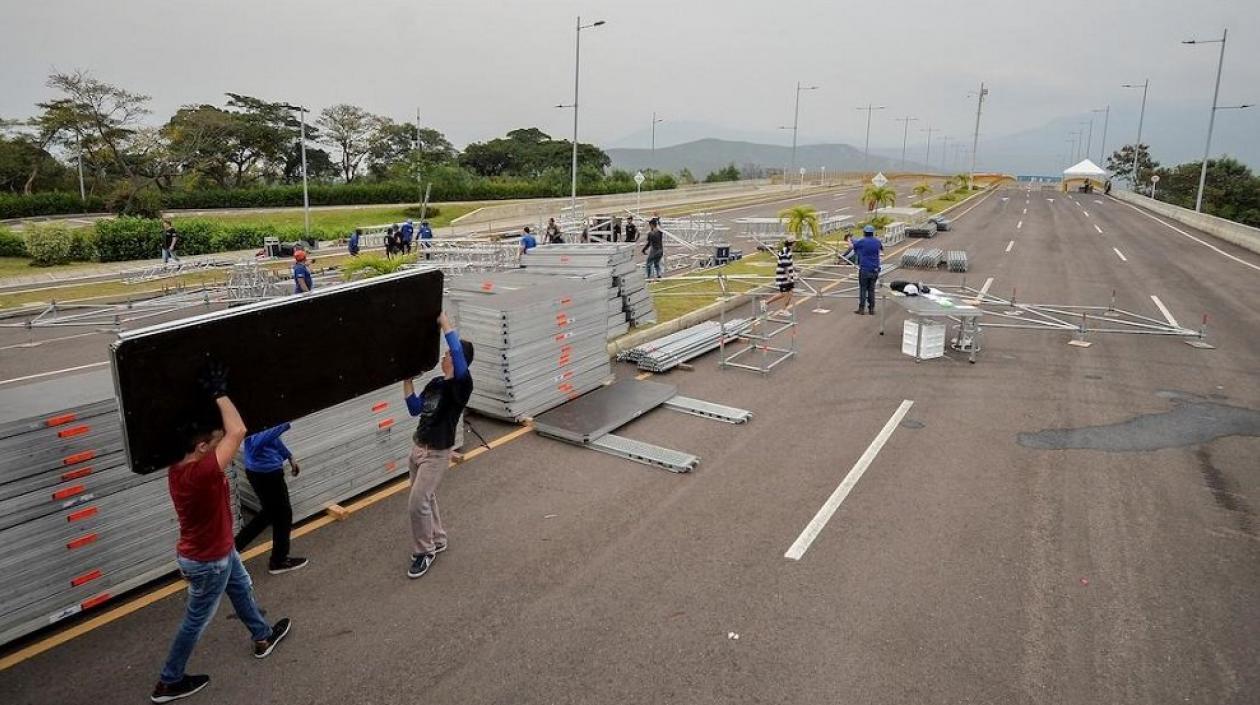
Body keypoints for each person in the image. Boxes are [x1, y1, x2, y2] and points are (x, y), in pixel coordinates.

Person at [151, 366, 291, 703]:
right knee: (195, 621)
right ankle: (169, 681)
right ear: (201, 448)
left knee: (242, 588)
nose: (222, 446)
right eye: (215, 443)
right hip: (208, 560)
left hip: (217, 551)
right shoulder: (200, 474)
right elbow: (239, 429)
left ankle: (262, 636)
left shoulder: (180, 464)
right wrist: (219, 393)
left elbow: (222, 432)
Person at [401, 312, 474, 579]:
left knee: (416, 502)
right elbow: (414, 408)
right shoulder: (435, 383)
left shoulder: (461, 385)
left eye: (448, 354)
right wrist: (407, 379)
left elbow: (456, 352)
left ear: (458, 360)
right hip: (417, 449)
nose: (444, 356)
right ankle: (438, 539)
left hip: (437, 454)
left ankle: (425, 551)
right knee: (426, 498)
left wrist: (444, 323)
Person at [233, 424, 308, 575]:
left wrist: (288, 455)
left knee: (269, 515)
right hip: (265, 474)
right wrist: (284, 425)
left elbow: (271, 439)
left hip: (266, 470)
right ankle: (278, 561)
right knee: (283, 516)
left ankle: (231, 551)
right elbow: (256, 444)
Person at [852, 224, 884, 315]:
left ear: (864, 232)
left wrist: (853, 240)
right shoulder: (877, 241)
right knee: (871, 289)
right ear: (872, 233)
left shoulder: (862, 241)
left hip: (865, 269)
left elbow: (855, 247)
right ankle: (871, 309)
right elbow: (881, 248)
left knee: (863, 289)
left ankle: (861, 309)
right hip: (875, 269)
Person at [766, 235, 797, 314]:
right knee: (784, 293)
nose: (795, 244)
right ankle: (767, 303)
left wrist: (794, 270)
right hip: (784, 277)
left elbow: (789, 264)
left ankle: (783, 309)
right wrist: (788, 277)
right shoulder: (785, 252)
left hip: (788, 276)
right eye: (794, 242)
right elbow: (785, 265)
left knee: (790, 293)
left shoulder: (788, 251)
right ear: (791, 243)